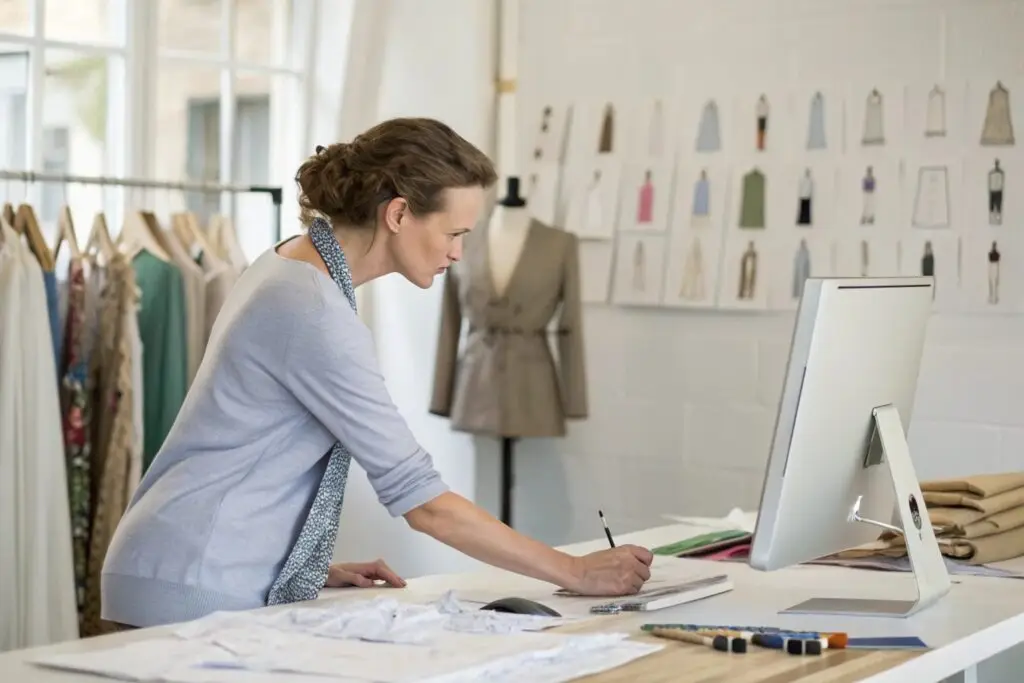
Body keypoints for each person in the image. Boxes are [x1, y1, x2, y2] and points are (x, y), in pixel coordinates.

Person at [100, 117, 653, 630]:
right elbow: (425, 503)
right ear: (397, 214)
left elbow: (249, 445)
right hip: (189, 578)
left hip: (186, 565)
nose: (459, 254)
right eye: (454, 233)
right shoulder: (312, 309)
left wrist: (297, 564)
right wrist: (575, 571)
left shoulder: (291, 265)